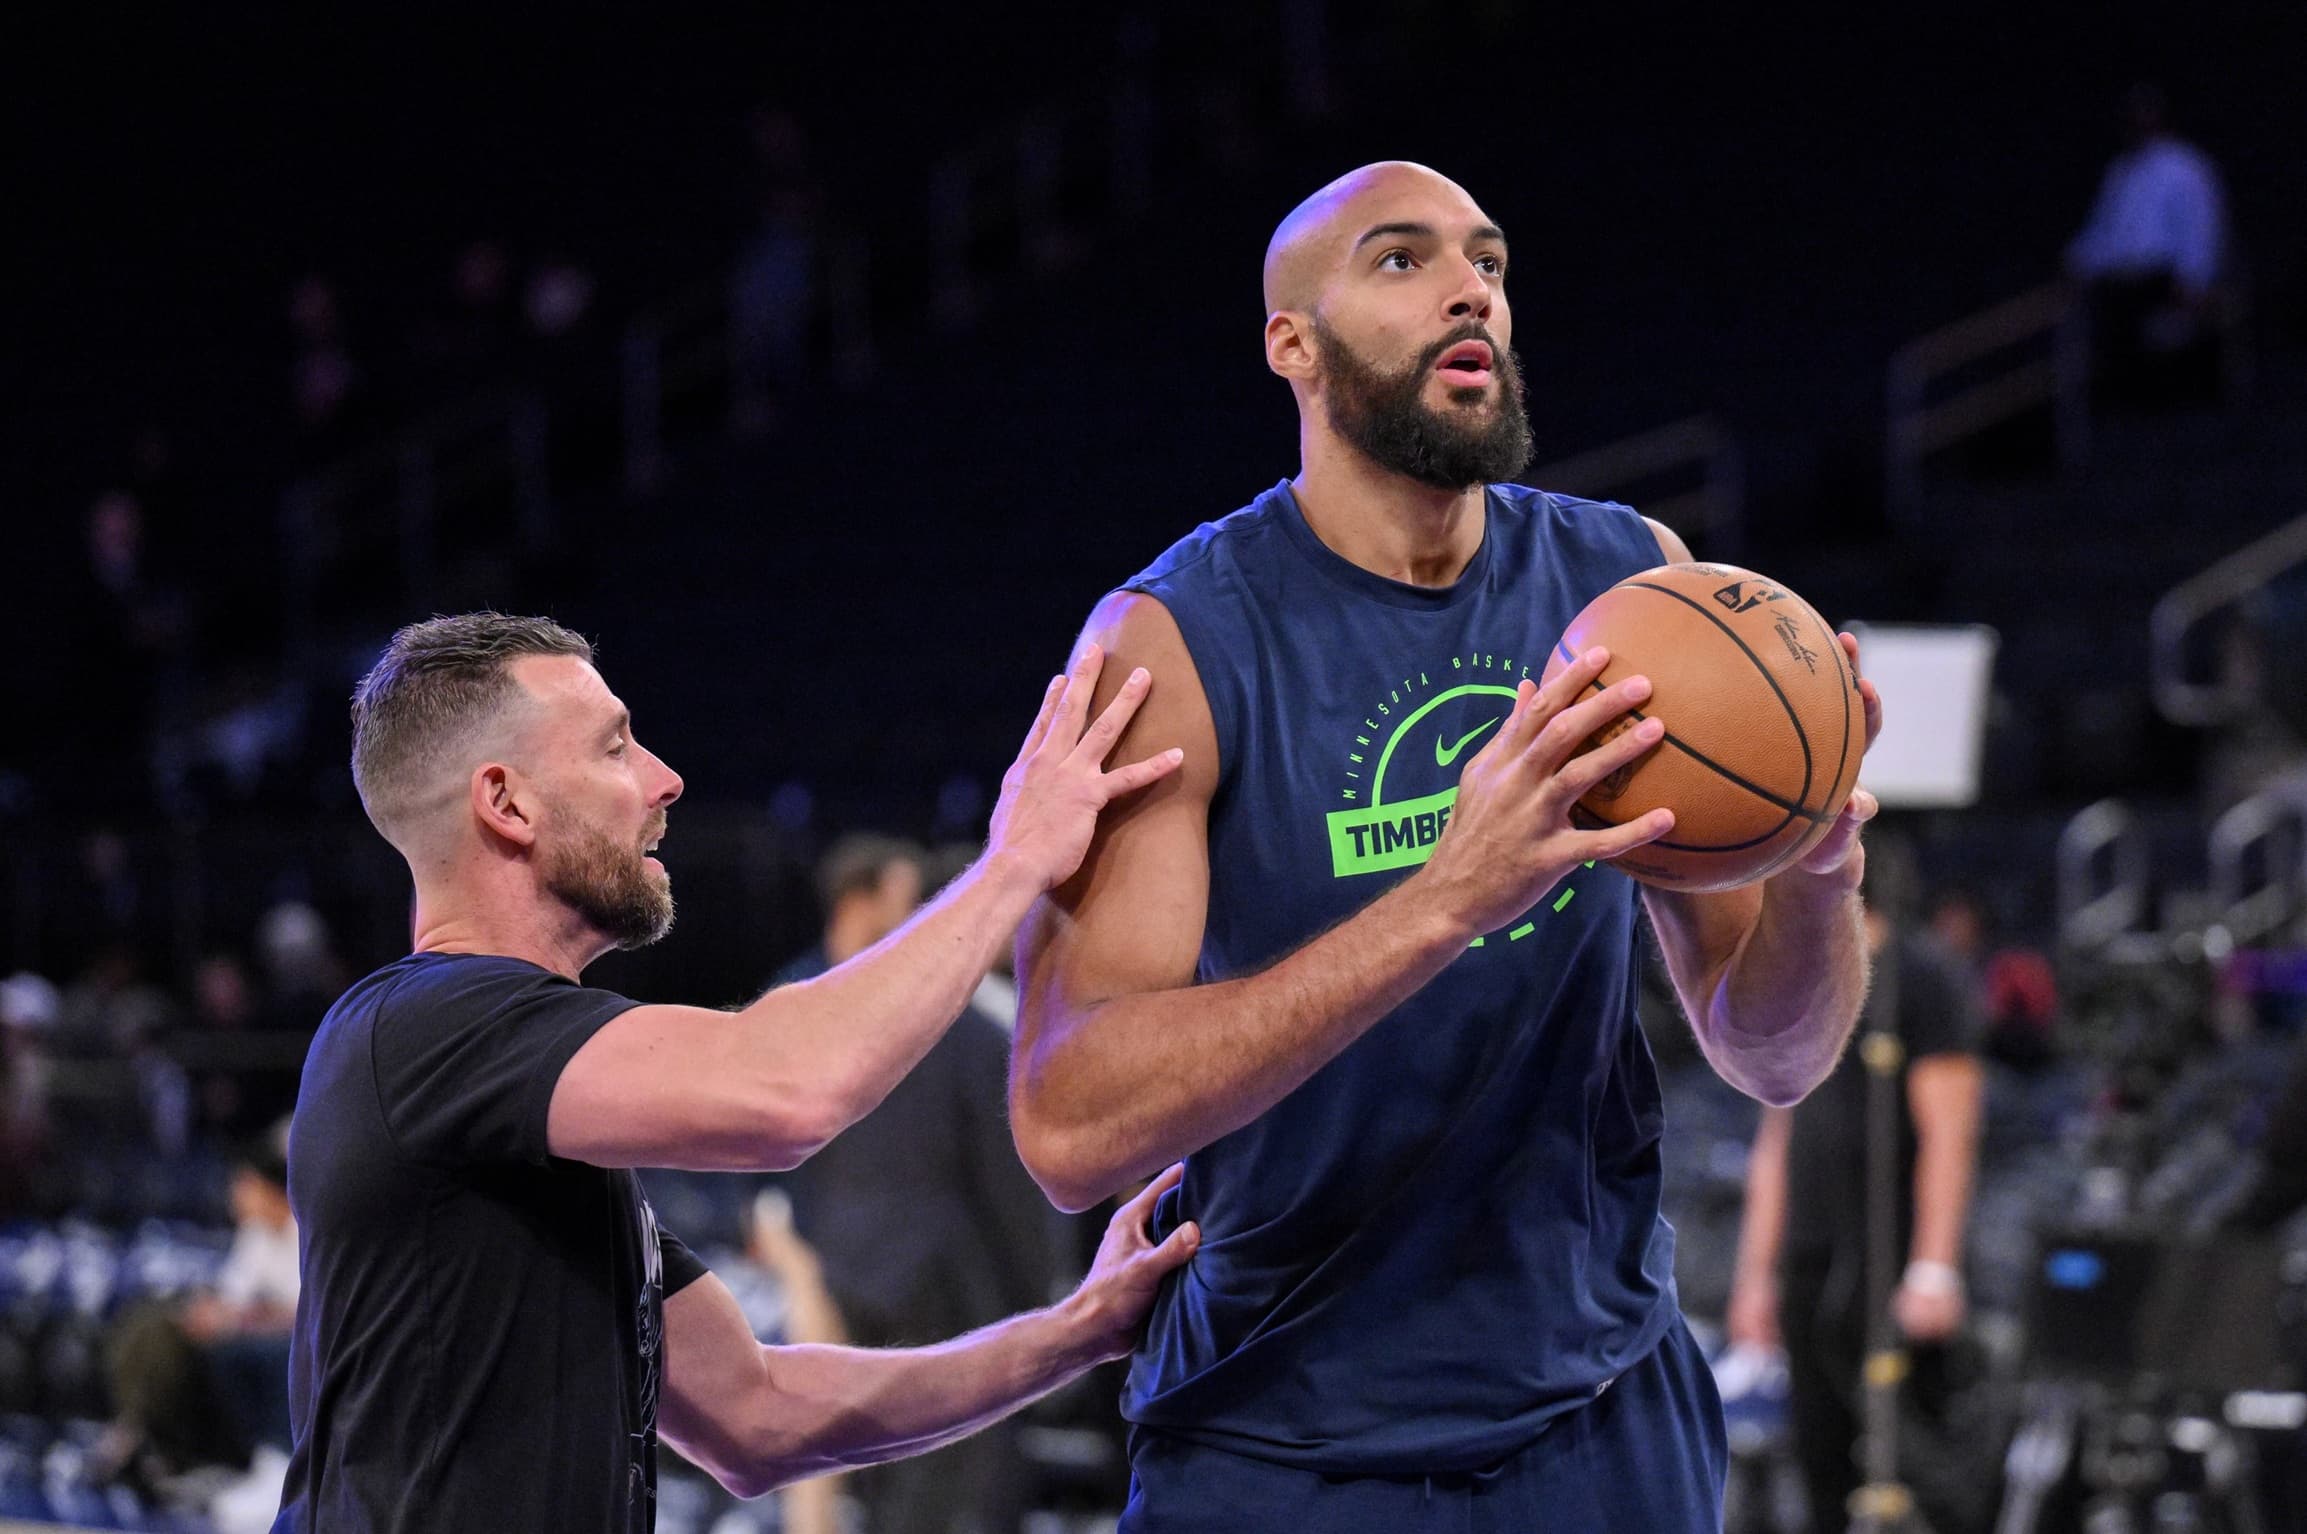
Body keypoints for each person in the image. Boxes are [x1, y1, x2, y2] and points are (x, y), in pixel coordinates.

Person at [1010, 162, 1883, 1533]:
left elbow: (1768, 1050)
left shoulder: (1626, 590)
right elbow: (1069, 1124)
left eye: (1485, 259)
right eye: (1401, 260)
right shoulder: (1170, 643)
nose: (1471, 286)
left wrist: (1821, 878)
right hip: (1284, 1433)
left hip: (1604, 1414)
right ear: (1289, 343)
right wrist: (1443, 899)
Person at [273, 612, 1197, 1533]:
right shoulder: (422, 1026)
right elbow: (789, 1089)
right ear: (506, 804)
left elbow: (758, 1415)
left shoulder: (509, 1115)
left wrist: (1076, 1333)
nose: (665, 780)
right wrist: (1017, 859)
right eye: (615, 747)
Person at [771, 834, 1072, 1534]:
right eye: (907, 900)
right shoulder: (957, 1022)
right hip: (938, 1280)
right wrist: (1038, 1303)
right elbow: (1009, 1176)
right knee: (954, 1485)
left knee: (880, 1478)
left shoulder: (799, 1008)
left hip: (849, 1271)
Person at [1726, 902, 1984, 1531]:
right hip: (1811, 1266)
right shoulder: (1791, 972)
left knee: (1922, 1481)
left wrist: (1934, 1267)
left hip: (1891, 1262)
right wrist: (1756, 1275)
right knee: (1821, 1472)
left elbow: (1950, 1131)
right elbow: (1776, 1136)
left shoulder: (1919, 976)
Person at [2065, 83, 2229, 408]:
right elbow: (2103, 233)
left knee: (2146, 337)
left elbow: (2200, 228)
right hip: (2118, 282)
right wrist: (2076, 263)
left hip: (2162, 281)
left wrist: (2194, 282)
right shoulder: (2121, 171)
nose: (2139, 121)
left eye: (2146, 113)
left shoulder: (2185, 166)